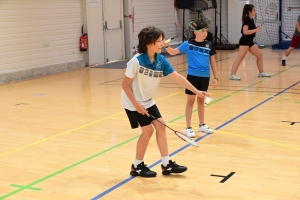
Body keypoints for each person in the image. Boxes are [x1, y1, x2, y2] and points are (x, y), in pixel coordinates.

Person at [121, 26, 210, 178]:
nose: (162, 44)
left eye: (162, 40)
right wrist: (137, 105)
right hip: (133, 102)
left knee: (161, 126)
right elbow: (125, 85)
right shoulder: (135, 62)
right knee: (148, 130)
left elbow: (178, 77)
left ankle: (166, 164)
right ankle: (136, 166)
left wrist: (197, 91)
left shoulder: (161, 61)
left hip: (148, 101)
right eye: (158, 41)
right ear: (148, 43)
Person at [163, 19, 218, 138]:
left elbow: (213, 62)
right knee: (190, 101)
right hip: (192, 76)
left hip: (205, 76)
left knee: (201, 101)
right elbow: (172, 52)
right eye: (203, 31)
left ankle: (202, 124)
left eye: (207, 31)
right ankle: (188, 127)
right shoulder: (188, 44)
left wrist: (216, 77)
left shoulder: (209, 45)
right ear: (196, 32)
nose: (205, 33)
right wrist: (166, 45)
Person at [229, 4, 270, 80]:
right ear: (249, 12)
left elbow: (251, 30)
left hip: (250, 42)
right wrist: (256, 30)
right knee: (240, 58)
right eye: (254, 10)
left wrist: (256, 28)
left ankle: (261, 72)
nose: (255, 11)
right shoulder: (247, 19)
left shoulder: (251, 19)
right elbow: (245, 32)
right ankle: (232, 75)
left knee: (260, 55)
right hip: (245, 42)